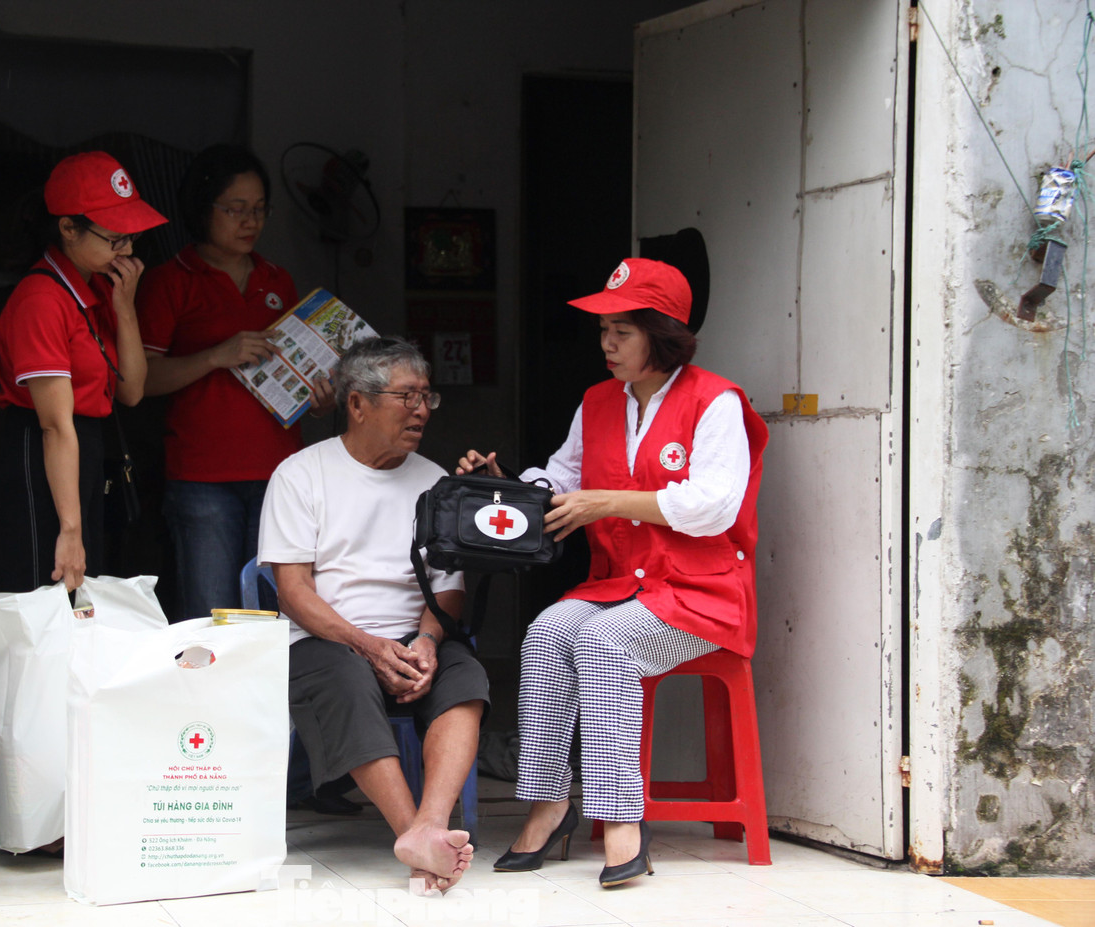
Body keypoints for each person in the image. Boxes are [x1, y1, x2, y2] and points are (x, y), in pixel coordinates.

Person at [458, 258, 768, 888]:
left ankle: (622, 820)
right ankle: (550, 803)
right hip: (624, 584)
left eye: (622, 331)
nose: (607, 343)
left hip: (701, 595)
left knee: (603, 641)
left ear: (663, 332)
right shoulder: (598, 402)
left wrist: (611, 502)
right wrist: (509, 487)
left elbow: (713, 507)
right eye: (604, 330)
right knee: (546, 632)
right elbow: (564, 480)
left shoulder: (716, 402)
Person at [259, 337, 488, 894]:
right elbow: (292, 592)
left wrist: (429, 643)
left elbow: (448, 588)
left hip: (415, 639)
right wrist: (366, 644)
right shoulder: (300, 474)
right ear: (357, 403)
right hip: (327, 639)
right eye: (405, 397)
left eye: (426, 397)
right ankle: (413, 833)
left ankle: (430, 825)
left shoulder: (436, 482)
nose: (421, 410)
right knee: (343, 677)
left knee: (465, 679)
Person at [136, 144, 335, 621]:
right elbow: (139, 381)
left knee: (275, 614)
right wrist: (215, 356)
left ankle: (271, 700)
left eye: (260, 209)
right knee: (211, 616)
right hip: (203, 478)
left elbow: (287, 374)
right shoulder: (172, 281)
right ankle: (206, 699)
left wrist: (318, 398)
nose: (251, 221)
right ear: (204, 211)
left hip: (279, 472)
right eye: (237, 209)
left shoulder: (276, 280)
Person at [0, 151, 166, 593]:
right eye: (115, 239)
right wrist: (70, 530)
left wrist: (125, 307)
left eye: (132, 239)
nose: (126, 251)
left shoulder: (94, 288)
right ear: (68, 228)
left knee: (82, 603)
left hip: (82, 449)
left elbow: (132, 391)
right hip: (45, 450)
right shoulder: (42, 298)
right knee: (46, 595)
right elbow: (53, 424)